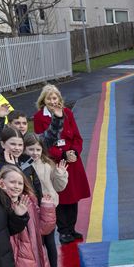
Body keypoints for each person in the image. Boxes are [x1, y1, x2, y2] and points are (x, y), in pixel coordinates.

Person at [31, 84, 90, 244]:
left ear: (59, 99)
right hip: (54, 162)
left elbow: (77, 137)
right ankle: (63, 230)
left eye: (55, 97)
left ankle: (71, 228)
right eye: (49, 98)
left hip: (72, 162)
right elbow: (43, 143)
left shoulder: (68, 113)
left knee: (74, 197)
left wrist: (75, 153)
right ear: (44, 100)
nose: (52, 100)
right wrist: (62, 154)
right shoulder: (39, 117)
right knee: (60, 197)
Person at [24, 132, 71, 267]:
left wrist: (60, 173)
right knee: (36, 243)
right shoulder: (23, 165)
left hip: (48, 208)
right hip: (30, 209)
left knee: (50, 241)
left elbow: (58, 187)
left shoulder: (48, 164)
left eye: (37, 149)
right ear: (24, 149)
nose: (34, 153)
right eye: (31, 149)